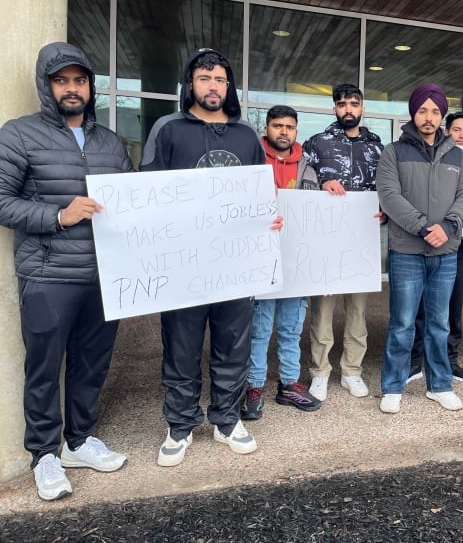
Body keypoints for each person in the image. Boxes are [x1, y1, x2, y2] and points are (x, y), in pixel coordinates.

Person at [0, 42, 132, 500]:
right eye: (61, 80)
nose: (72, 89)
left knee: (91, 364)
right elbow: (1, 201)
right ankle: (44, 456)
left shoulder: (110, 141)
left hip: (103, 275)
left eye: (79, 80)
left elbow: (133, 203)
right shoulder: (18, 135)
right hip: (48, 275)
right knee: (44, 366)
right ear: (47, 85)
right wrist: (59, 215)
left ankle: (79, 441)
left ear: (90, 86)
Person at [141, 48, 280, 466]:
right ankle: (180, 424)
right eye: (204, 78)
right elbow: (148, 194)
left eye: (220, 79)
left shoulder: (244, 135)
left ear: (229, 86)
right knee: (181, 346)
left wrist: (267, 219)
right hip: (184, 263)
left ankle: (225, 418)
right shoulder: (168, 130)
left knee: (233, 346)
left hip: (234, 264)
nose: (213, 86)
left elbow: (261, 194)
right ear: (190, 85)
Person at [376, 83, 463, 414]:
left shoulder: (457, 155)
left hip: (445, 253)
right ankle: (393, 386)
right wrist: (422, 227)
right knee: (403, 321)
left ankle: (440, 385)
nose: (429, 117)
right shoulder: (393, 151)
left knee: (439, 323)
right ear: (413, 113)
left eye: (435, 111)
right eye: (423, 110)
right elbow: (389, 195)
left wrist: (448, 227)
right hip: (407, 250)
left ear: (442, 115)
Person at [302, 84, 384, 402]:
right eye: (341, 104)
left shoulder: (377, 147)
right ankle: (320, 373)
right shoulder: (317, 144)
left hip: (362, 239)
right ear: (334, 108)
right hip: (326, 239)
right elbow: (301, 182)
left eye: (353, 103)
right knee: (322, 309)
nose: (348, 108)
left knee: (357, 311)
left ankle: (351, 371)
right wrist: (322, 183)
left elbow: (388, 189)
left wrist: (385, 212)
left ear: (362, 108)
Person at [241, 105, 321, 420]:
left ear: (296, 131)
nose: (283, 132)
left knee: (291, 328)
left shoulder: (308, 168)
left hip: (295, 262)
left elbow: (317, 219)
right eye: (277, 126)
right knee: (259, 329)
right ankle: (254, 386)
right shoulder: (252, 161)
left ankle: (289, 383)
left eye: (289, 127)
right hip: (260, 260)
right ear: (267, 129)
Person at [408, 111, 463, 384]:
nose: (461, 134)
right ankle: (415, 362)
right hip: (430, 240)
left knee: (453, 307)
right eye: (457, 129)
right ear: (446, 131)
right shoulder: (439, 160)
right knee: (421, 307)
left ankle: (450, 361)